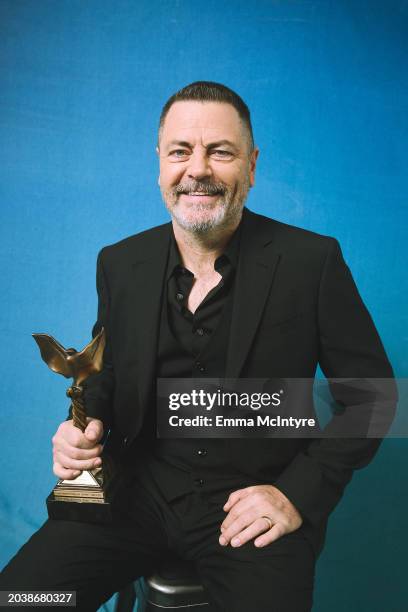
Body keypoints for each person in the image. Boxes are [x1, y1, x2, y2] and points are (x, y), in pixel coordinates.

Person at [0, 81, 395, 611]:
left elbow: (374, 397)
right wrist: (81, 425)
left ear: (252, 166)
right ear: (160, 164)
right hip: (133, 496)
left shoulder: (312, 262)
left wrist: (296, 494)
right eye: (181, 151)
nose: (199, 169)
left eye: (221, 152)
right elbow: (107, 372)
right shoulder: (119, 263)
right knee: (23, 600)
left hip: (251, 505)